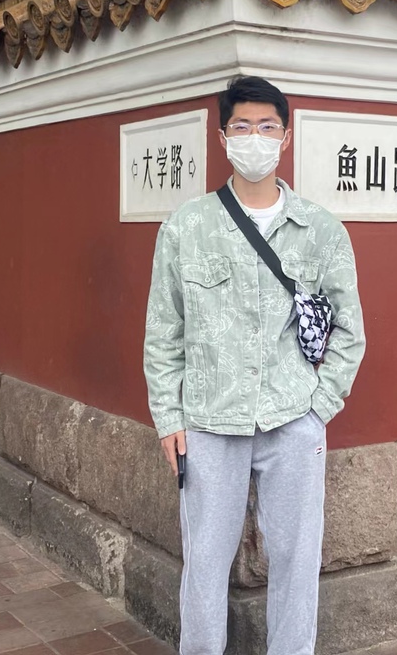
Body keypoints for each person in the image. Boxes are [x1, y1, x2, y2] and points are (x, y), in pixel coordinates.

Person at [143, 76, 366, 655]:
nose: (255, 138)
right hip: (209, 423)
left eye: (267, 127)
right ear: (223, 138)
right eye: (242, 127)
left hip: (293, 419)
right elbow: (164, 332)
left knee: (297, 560)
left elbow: (350, 330)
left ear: (285, 138)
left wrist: (318, 409)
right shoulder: (186, 228)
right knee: (204, 563)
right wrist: (169, 417)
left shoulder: (321, 231)